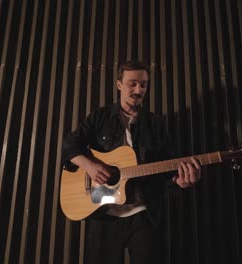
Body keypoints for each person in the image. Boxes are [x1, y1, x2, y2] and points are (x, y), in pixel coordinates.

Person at [61, 60, 201, 264]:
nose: (138, 90)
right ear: (119, 85)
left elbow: (168, 168)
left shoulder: (156, 124)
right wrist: (89, 165)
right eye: (132, 83)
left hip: (144, 215)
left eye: (143, 84)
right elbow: (69, 145)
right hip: (104, 213)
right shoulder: (100, 116)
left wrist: (180, 181)